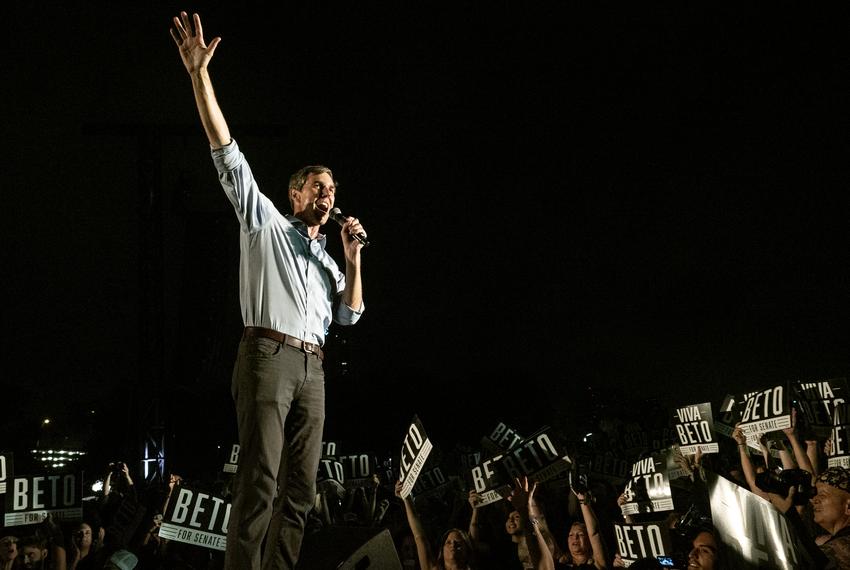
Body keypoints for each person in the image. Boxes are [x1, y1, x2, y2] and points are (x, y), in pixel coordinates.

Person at [170, 11, 366, 570]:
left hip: (314, 369)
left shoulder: (331, 261)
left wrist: (352, 260)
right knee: (259, 479)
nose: (328, 195)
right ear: (296, 194)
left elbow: (350, 316)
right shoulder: (266, 224)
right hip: (267, 355)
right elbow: (225, 150)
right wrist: (198, 76)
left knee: (301, 490)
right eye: (318, 186)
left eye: (333, 189)